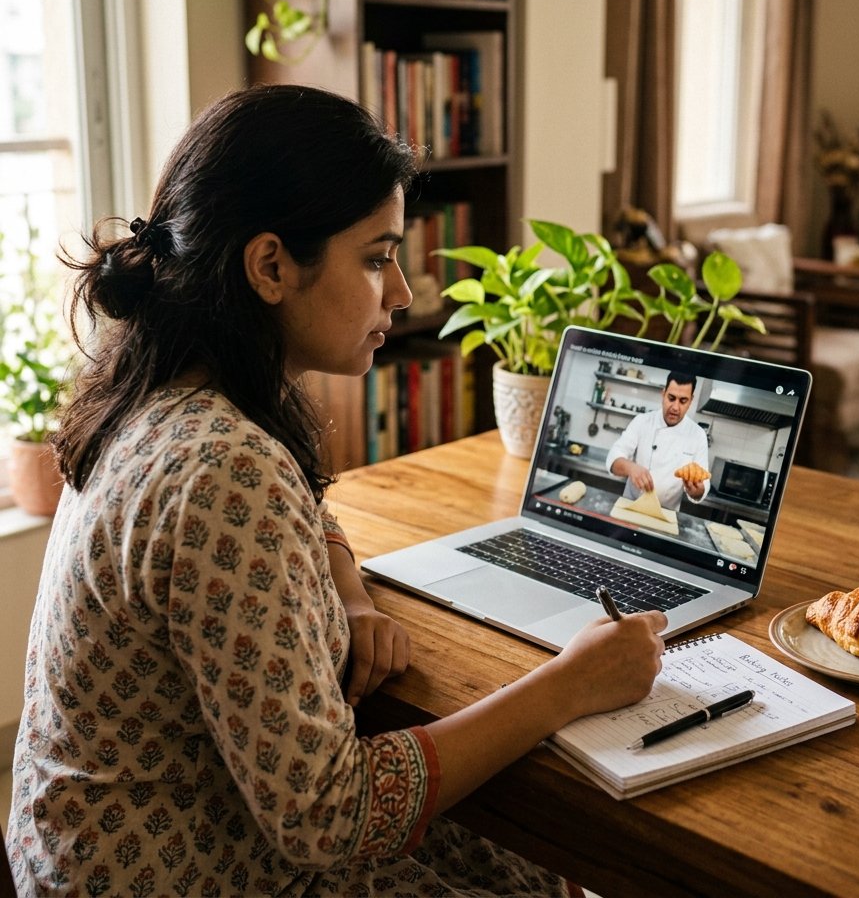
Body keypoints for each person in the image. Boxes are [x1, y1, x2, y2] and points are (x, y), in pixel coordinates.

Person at [6, 85, 667, 897]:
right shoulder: (223, 468)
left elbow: (305, 514)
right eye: (375, 257)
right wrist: (569, 684)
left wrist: (349, 591)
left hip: (98, 848)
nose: (401, 293)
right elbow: (329, 816)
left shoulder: (161, 392)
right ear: (271, 265)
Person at [606, 368, 710, 510]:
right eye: (671, 398)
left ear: (691, 401)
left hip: (665, 515)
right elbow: (614, 457)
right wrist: (631, 468)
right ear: (663, 394)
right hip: (631, 507)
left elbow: (703, 485)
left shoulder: (697, 435)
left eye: (683, 401)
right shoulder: (642, 421)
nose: (675, 407)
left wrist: (696, 491)